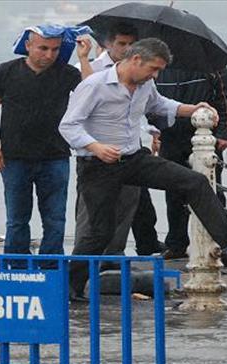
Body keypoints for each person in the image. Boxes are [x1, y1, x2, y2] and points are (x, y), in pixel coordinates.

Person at [59, 38, 227, 300]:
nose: (155, 75)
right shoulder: (95, 85)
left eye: (159, 70)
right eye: (153, 69)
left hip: (133, 159)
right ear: (136, 59)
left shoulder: (145, 85)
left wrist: (193, 109)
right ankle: (70, 287)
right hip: (98, 165)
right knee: (100, 231)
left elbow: (160, 104)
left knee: (194, 182)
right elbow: (68, 125)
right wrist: (96, 147)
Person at [0, 25, 86, 267]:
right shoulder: (7, 70)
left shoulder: (67, 73)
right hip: (14, 156)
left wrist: (83, 58)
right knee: (17, 219)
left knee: (55, 218)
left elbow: (93, 93)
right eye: (43, 48)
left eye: (55, 49)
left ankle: (51, 266)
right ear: (28, 46)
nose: (49, 55)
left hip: (55, 155)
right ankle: (17, 266)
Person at [73, 22, 162, 260]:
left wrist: (152, 130)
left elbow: (143, 106)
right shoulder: (90, 68)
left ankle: (115, 256)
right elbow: (87, 98)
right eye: (122, 43)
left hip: (129, 149)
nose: (127, 48)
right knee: (91, 216)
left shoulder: (142, 75)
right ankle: (83, 263)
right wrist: (84, 60)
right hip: (95, 153)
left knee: (128, 206)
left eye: (132, 44)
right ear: (108, 44)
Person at [141, 66, 227, 259]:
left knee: (213, 190)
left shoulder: (211, 64)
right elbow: (153, 104)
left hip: (206, 136)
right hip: (171, 136)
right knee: (173, 192)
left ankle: (221, 243)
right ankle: (177, 243)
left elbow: (226, 98)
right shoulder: (160, 68)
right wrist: (156, 131)